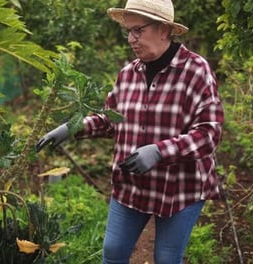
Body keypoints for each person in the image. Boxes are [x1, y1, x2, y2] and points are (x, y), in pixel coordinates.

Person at [36, 0, 224, 263]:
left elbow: (209, 134)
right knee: (113, 252)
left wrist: (160, 151)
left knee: (166, 258)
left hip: (180, 188)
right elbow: (110, 118)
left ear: (164, 30)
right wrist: (73, 126)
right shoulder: (128, 74)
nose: (131, 39)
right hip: (132, 186)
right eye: (128, 31)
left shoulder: (196, 71)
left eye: (138, 31)